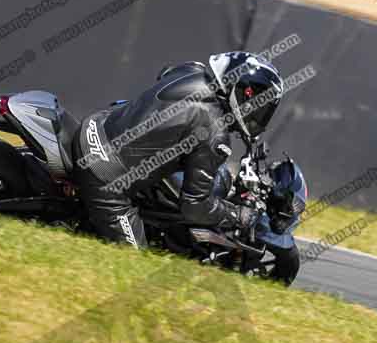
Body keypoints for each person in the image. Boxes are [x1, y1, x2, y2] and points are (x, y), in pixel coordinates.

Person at [72, 52, 285, 248]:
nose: (258, 112)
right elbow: (194, 206)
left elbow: (165, 73)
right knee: (132, 261)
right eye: (257, 103)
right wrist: (237, 215)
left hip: (96, 125)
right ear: (240, 91)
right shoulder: (214, 133)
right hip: (104, 175)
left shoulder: (193, 70)